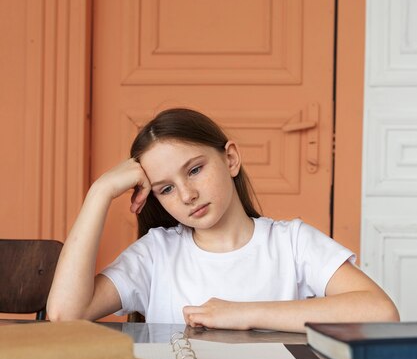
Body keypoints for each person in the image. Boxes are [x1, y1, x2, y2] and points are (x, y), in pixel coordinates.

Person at [47, 108, 399, 331]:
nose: (187, 195)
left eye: (195, 170)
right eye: (166, 189)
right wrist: (99, 193)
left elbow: (380, 312)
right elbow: (65, 315)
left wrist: (244, 314)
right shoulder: (156, 254)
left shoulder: (291, 243)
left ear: (230, 159)